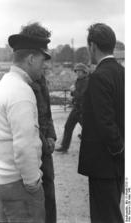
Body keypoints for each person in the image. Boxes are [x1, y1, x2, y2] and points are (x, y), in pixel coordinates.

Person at [0, 22, 52, 223]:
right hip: (19, 185)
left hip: (3, 178)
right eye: (43, 59)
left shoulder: (6, 84)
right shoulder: (21, 92)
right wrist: (34, 183)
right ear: (31, 58)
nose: (46, 65)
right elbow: (24, 147)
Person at [78, 23, 124, 223]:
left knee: (105, 216)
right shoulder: (123, 73)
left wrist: (118, 150)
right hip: (119, 163)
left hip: (104, 162)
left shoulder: (98, 77)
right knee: (112, 209)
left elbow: (105, 123)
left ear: (93, 46)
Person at [31, 71, 57, 223]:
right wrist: (45, 141)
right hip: (32, 147)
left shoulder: (42, 80)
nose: (45, 65)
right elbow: (31, 124)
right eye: (42, 59)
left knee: (49, 194)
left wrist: (51, 136)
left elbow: (47, 113)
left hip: (45, 149)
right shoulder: (23, 85)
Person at [55, 63, 89, 153]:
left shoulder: (87, 82)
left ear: (84, 72)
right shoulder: (78, 80)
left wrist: (74, 91)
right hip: (76, 108)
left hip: (83, 110)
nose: (77, 73)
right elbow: (76, 93)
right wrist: (72, 93)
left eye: (79, 71)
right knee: (68, 126)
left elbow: (82, 96)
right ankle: (64, 147)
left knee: (88, 129)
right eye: (76, 71)